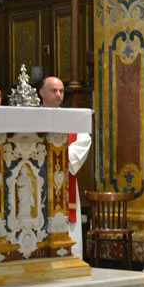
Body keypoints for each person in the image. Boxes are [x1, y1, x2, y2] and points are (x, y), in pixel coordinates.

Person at [40, 76, 91, 259]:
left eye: (61, 91)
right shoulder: (31, 119)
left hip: (64, 179)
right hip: (38, 180)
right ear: (42, 93)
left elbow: (84, 141)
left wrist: (58, 159)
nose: (59, 95)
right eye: (54, 91)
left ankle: (69, 257)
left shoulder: (72, 119)